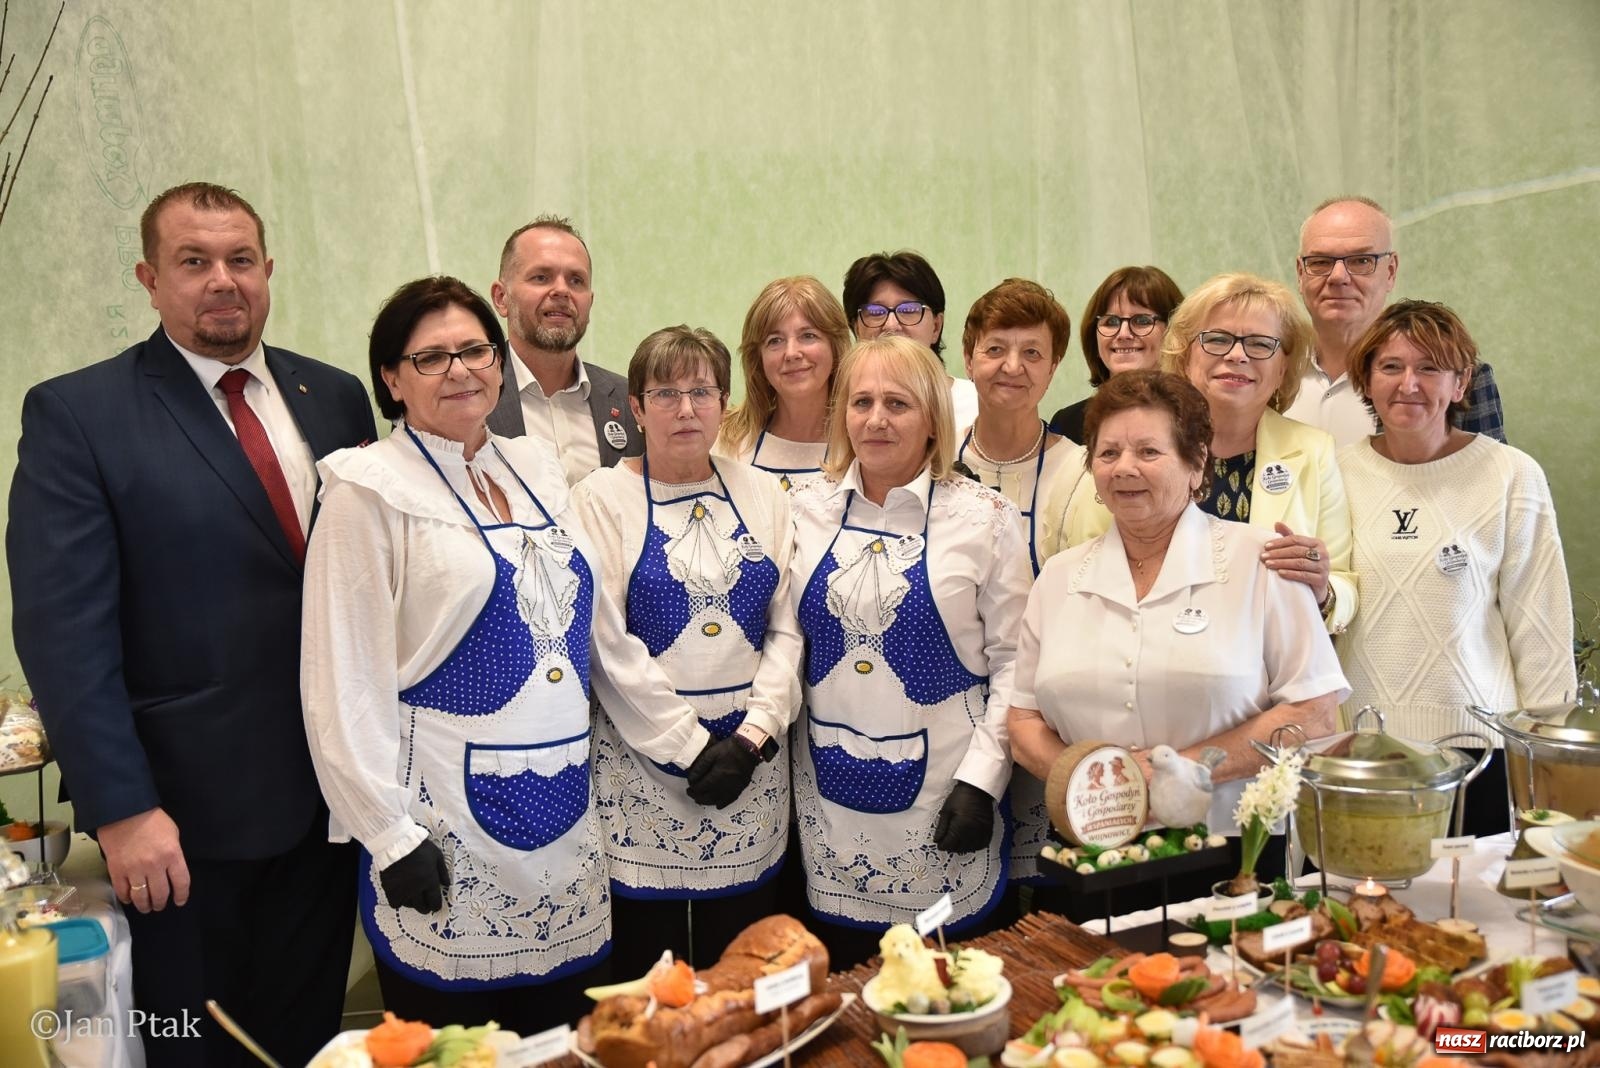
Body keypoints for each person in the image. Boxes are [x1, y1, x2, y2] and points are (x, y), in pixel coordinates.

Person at [7, 182, 376, 1067]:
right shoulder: (79, 415)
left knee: (307, 1044)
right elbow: (65, 633)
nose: (223, 280)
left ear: (268, 271)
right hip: (181, 826)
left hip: (330, 806)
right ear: (149, 277)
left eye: (240, 260)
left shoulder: (334, 398)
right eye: (194, 261)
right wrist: (124, 808)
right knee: (195, 1049)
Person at [301, 277, 710, 1033]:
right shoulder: (367, 491)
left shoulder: (536, 469)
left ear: (497, 361)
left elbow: (597, 636)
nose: (460, 370)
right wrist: (388, 836)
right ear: (390, 378)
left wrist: (686, 743)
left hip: (564, 824)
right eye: (431, 358)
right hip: (442, 826)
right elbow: (339, 683)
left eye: (474, 350)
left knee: (566, 1039)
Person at [1009, 371, 1348, 895]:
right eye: (1108, 453)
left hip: (1231, 846)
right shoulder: (1059, 577)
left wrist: (1171, 771)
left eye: (1148, 451)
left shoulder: (1261, 562)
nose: (1124, 468)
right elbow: (1023, 717)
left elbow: (1313, 711)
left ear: (1196, 465)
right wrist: (1096, 784)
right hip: (1089, 849)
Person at [788, 335, 1029, 968]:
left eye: (897, 403)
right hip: (833, 805)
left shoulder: (987, 519)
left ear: (932, 421)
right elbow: (785, 646)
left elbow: (1015, 666)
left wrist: (983, 782)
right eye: (861, 401)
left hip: (947, 796)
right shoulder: (801, 512)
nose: (875, 419)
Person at [573, 326, 803, 974]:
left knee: (746, 976)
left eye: (701, 392)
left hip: (750, 776)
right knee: (653, 983)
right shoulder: (599, 499)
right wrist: (692, 748)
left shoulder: (763, 494)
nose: (685, 410)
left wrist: (753, 738)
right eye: (666, 393)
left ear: (723, 402)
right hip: (642, 782)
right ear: (636, 408)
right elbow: (604, 644)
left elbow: (787, 628)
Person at [1338, 301, 1573, 837]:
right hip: (1361, 748)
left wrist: (1551, 765)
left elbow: (1542, 633)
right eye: (1391, 366)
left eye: (1430, 367)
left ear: (1461, 381)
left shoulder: (1512, 475)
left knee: (1475, 917)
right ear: (1367, 380)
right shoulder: (1336, 472)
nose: (1409, 384)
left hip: (1480, 750)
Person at [1055, 273, 1357, 635]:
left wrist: (1324, 592)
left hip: (1267, 674)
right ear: (1184, 356)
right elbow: (1083, 562)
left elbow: (1344, 584)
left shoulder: (1313, 452)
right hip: (1138, 664)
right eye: (1217, 340)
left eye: (1260, 344)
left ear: (1283, 366)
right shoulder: (1126, 445)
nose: (1237, 355)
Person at [951, 279, 1087, 888]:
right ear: (968, 356)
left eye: (1032, 353)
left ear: (1055, 365)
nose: (1012, 367)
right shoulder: (931, 462)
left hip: (1052, 719)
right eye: (996, 349)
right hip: (952, 720)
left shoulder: (1087, 470)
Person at [1284, 196, 1506, 446]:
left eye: (1361, 261)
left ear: (1390, 271)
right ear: (1301, 274)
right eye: (1320, 262)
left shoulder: (1458, 379)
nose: (1338, 277)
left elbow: (1493, 479)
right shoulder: (1267, 372)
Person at [487, 215, 641, 483]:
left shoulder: (630, 402)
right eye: (541, 277)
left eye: (576, 280)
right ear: (502, 298)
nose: (561, 290)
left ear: (589, 303)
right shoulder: (470, 397)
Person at [715, 276, 851, 489]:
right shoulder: (724, 442)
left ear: (835, 346)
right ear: (758, 359)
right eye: (775, 341)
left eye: (808, 336)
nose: (791, 353)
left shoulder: (862, 443)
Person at [843, 249, 979, 430]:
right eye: (876, 312)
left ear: (936, 326)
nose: (891, 325)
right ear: (856, 328)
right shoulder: (844, 410)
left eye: (908, 310)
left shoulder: (977, 406)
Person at [1047, 265, 1184, 444]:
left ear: (1173, 330)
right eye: (1111, 321)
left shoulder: (1196, 418)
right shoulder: (1067, 424)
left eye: (1142, 320)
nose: (1123, 334)